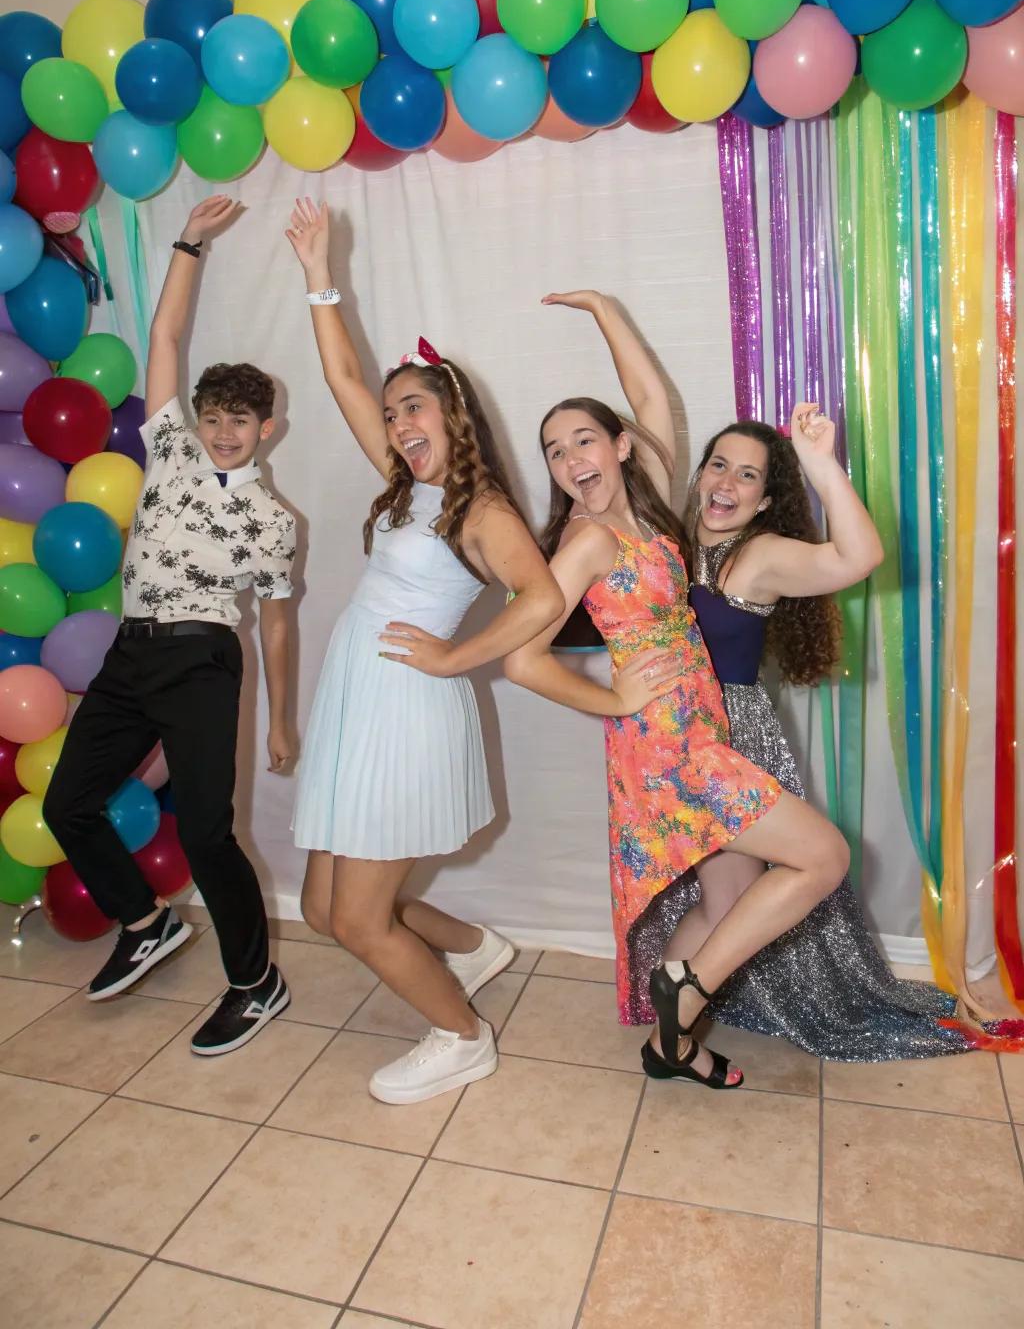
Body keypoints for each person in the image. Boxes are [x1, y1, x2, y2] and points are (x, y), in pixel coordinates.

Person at [569, 293, 981, 1060]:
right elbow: (649, 399)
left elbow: (856, 559)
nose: (726, 481)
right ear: (697, 475)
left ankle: (677, 1019)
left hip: (732, 737)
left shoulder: (757, 558)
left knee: (735, 901)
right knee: (723, 901)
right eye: (717, 464)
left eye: (748, 475)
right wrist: (603, 309)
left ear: (765, 497)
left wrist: (822, 465)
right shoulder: (665, 530)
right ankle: (676, 1024)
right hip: (663, 736)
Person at [504, 289, 852, 1090]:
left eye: (583, 440)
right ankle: (684, 988)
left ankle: (674, 1045)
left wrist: (602, 308)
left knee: (732, 901)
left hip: (695, 734)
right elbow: (523, 661)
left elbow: (652, 396)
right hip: (670, 746)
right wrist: (616, 701)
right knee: (823, 857)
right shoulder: (587, 539)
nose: (569, 459)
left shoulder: (658, 516)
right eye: (554, 450)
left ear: (622, 446)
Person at [284, 198, 563, 1105]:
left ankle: (461, 1035)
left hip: (406, 711)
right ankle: (477, 950)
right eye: (396, 410)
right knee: (326, 912)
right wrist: (318, 275)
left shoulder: (480, 511)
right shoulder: (405, 487)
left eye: (416, 406)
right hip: (357, 703)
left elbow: (545, 597)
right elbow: (342, 381)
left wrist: (454, 659)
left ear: (454, 414)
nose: (400, 421)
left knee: (360, 919)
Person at [44, 196, 297, 1056]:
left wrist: (285, 718)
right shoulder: (176, 453)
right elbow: (164, 342)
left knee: (204, 830)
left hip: (202, 660)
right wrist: (189, 243)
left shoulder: (272, 519)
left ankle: (257, 982)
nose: (224, 432)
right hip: (130, 653)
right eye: (214, 417)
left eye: (241, 422)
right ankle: (145, 923)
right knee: (68, 802)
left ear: (269, 429)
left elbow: (275, 624)